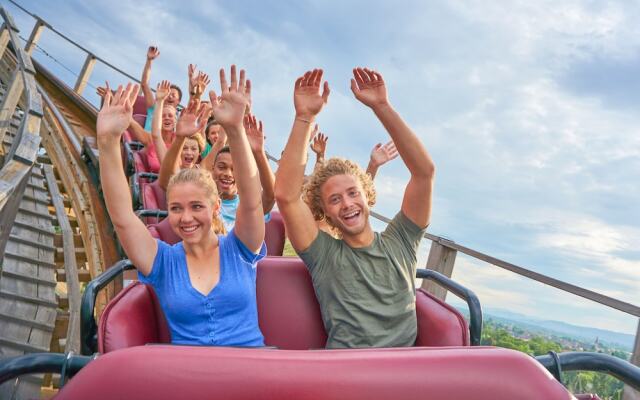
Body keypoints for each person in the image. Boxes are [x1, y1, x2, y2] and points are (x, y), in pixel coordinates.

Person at [96, 65, 267, 347]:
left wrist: (235, 130)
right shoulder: (163, 261)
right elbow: (123, 217)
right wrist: (107, 142)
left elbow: (251, 201)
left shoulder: (240, 249)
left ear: (214, 209)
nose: (185, 217)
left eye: (196, 206)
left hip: (250, 370)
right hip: (188, 378)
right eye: (176, 208)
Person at [275, 67, 436, 349]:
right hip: (347, 372)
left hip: (403, 373)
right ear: (325, 212)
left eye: (352, 193)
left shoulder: (402, 240)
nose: (347, 203)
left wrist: (382, 106)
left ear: (367, 195)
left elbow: (424, 172)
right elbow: (287, 196)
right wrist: (304, 118)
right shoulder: (323, 254)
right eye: (335, 199)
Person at [203, 113, 275, 232]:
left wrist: (259, 152)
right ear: (212, 169)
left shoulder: (249, 204)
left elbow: (271, 195)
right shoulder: (201, 200)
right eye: (222, 167)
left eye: (235, 169)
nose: (228, 173)